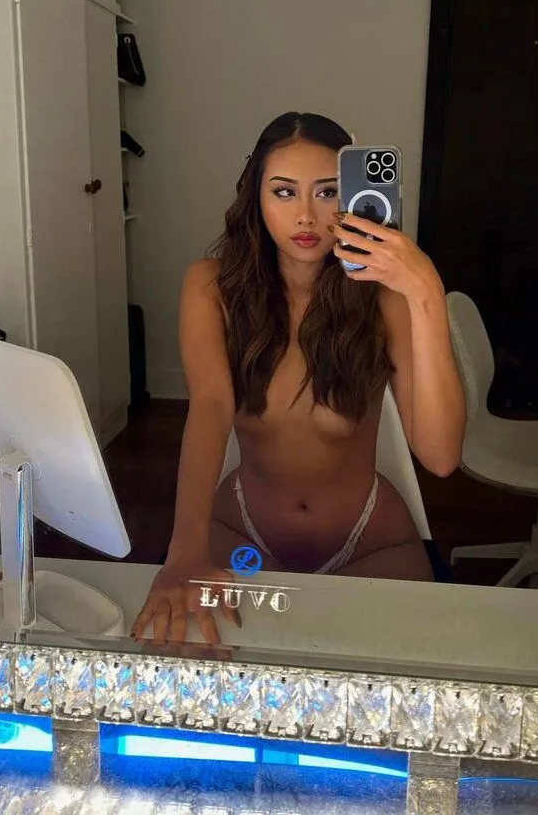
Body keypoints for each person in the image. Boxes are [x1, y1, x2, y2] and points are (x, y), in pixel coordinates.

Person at [131, 112, 466, 645]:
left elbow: (441, 456)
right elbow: (210, 408)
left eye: (327, 192)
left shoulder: (385, 299)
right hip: (242, 535)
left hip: (369, 544)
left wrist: (425, 290)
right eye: (284, 192)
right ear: (256, 199)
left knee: (387, 681)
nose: (306, 215)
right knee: (209, 669)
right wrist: (185, 549)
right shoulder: (210, 288)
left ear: (352, 197)